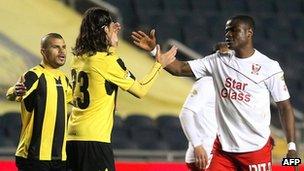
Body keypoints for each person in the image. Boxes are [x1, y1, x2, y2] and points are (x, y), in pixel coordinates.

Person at [132, 15, 297, 170]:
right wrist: (154, 50)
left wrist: (292, 147)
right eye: (226, 31)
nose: (228, 35)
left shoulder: (269, 67)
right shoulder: (218, 61)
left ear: (249, 33)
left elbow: (285, 107)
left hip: (255, 149)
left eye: (234, 30)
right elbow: (179, 69)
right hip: (224, 149)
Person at [66, 7, 177, 171]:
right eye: (112, 27)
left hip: (72, 137)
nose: (116, 30)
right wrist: (158, 65)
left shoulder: (78, 58)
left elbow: (100, 79)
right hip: (95, 140)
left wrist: (111, 42)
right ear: (104, 30)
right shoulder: (107, 61)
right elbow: (140, 90)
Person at [6, 33, 73, 171]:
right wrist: (15, 91)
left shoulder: (64, 79)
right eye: (56, 47)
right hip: (34, 157)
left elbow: (79, 101)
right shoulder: (34, 75)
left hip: (60, 158)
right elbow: (12, 93)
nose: (62, 51)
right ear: (43, 51)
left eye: (64, 47)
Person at [179, 43, 229, 171]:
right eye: (222, 56)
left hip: (220, 153)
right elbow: (185, 114)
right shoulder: (207, 82)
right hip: (205, 155)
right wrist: (197, 146)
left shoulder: (227, 86)